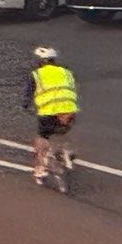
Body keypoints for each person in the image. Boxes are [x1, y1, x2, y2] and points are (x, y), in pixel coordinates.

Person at [25, 45, 79, 187]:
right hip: (69, 111)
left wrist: (26, 105)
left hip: (48, 113)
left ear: (41, 61)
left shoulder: (37, 75)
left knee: (42, 137)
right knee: (62, 130)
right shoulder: (67, 72)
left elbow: (28, 95)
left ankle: (40, 169)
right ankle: (67, 152)